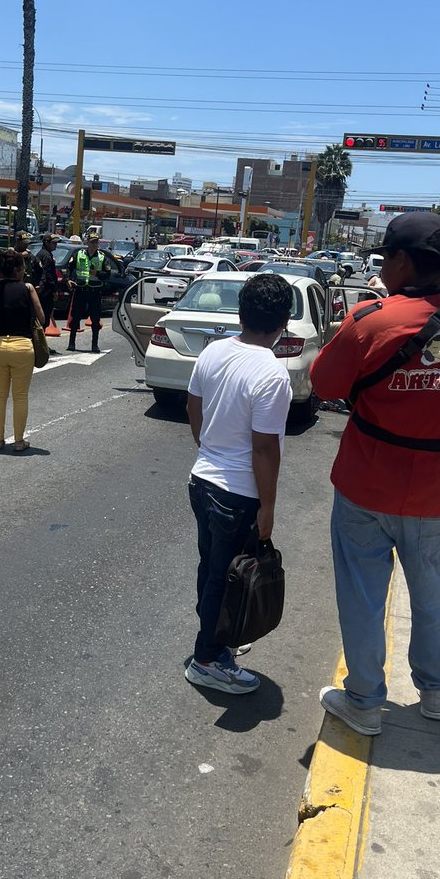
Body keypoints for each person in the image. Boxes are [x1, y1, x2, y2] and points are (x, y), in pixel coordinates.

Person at [310, 212, 440, 735]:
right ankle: (436, 693)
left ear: (400, 261)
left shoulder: (371, 320)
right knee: (431, 591)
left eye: (385, 258)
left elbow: (324, 383)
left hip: (367, 483)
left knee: (362, 595)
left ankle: (365, 702)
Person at [183, 273, 294, 695]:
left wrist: (205, 444)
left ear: (241, 312)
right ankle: (209, 658)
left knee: (213, 570)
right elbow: (265, 449)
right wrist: (268, 507)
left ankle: (217, 636)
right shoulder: (271, 374)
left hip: (203, 479)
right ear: (284, 321)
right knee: (224, 577)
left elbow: (194, 404)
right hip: (237, 493)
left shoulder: (214, 351)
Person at [0, 248, 44, 453]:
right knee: (20, 396)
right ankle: (18, 441)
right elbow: (41, 318)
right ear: (17, 269)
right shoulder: (28, 288)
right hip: (22, 345)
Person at [66, 231, 110, 353]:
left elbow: (107, 274)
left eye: (96, 242)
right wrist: (69, 279)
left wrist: (98, 273)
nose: (94, 244)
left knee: (95, 319)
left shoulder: (102, 257)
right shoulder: (79, 254)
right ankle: (71, 343)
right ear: (87, 243)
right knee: (75, 317)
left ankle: (94, 345)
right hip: (80, 290)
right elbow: (70, 268)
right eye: (92, 242)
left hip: (94, 291)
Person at [34, 231, 58, 329]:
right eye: (54, 243)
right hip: (46, 292)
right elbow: (48, 275)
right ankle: (39, 343)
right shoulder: (46, 256)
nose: (56, 245)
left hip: (43, 291)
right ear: (47, 243)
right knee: (44, 319)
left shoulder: (43, 254)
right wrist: (54, 290)